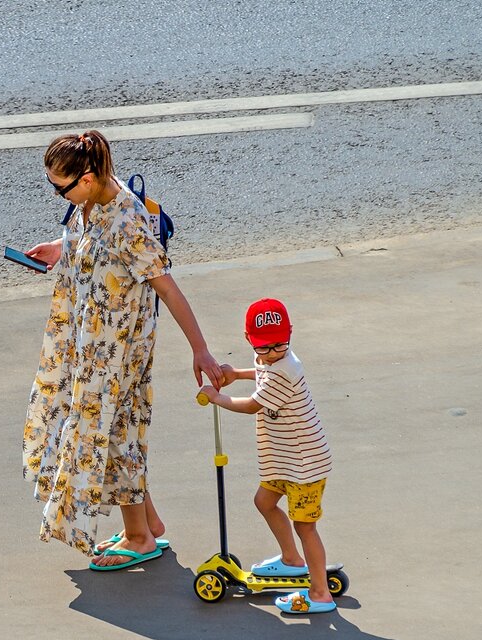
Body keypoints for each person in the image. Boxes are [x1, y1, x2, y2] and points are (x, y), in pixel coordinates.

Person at [22, 129, 222, 571]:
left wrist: (201, 352)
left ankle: (138, 538)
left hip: (117, 351)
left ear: (88, 177)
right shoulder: (90, 203)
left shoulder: (127, 222)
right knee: (114, 428)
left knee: (114, 433)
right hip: (89, 343)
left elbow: (168, 290)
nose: (58, 194)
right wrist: (62, 248)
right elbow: (92, 241)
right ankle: (148, 522)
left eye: (61, 187)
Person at [198, 297, 336, 614]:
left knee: (305, 526)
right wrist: (238, 373)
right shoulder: (269, 361)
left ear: (290, 335)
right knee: (264, 502)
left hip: (304, 464)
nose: (271, 353)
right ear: (250, 340)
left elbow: (251, 405)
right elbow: (262, 371)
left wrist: (218, 396)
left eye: (278, 346)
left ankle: (319, 593)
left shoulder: (284, 370)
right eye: (263, 347)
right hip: (284, 459)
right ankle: (291, 559)